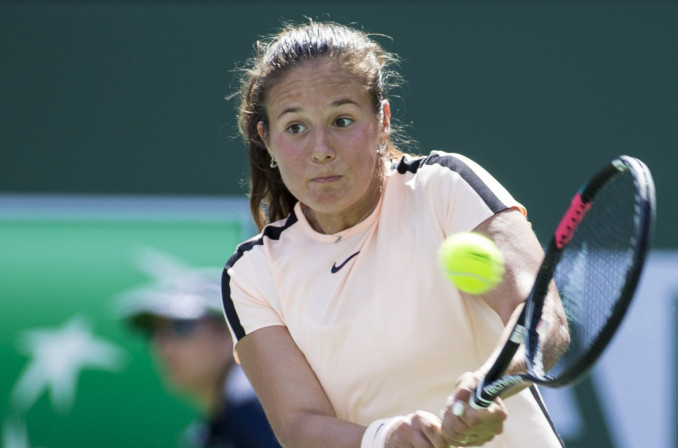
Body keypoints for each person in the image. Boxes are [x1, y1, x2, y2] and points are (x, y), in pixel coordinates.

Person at [221, 20, 569, 448]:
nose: (321, 148)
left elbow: (540, 313)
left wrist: (491, 381)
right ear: (266, 140)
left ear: (381, 121)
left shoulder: (443, 186)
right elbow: (298, 424)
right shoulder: (252, 274)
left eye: (342, 120)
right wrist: (383, 439)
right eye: (296, 127)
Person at [121, 278, 281, 448]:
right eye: (154, 332)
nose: (164, 347)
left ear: (231, 334)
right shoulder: (216, 427)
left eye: (181, 326)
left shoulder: (254, 406)